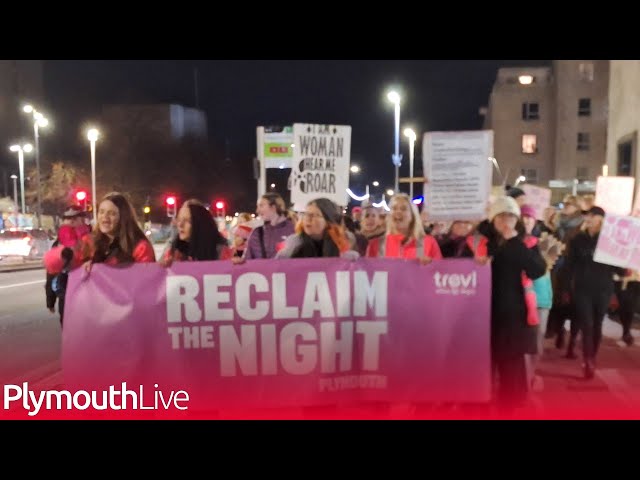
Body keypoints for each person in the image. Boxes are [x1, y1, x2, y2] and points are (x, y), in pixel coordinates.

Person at [470, 196, 546, 412]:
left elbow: (537, 270)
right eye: (502, 215)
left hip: (512, 317)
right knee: (481, 368)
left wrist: (514, 242)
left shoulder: (526, 243)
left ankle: (508, 408)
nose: (506, 220)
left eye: (511, 216)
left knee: (510, 369)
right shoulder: (480, 242)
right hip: (481, 316)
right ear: (493, 219)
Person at [565, 206, 626, 379]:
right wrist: (566, 288)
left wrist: (625, 263)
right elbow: (570, 265)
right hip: (582, 289)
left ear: (601, 219)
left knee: (597, 324)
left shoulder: (609, 240)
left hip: (603, 289)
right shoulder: (578, 239)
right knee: (587, 324)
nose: (589, 218)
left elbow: (618, 269)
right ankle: (587, 360)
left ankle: (592, 356)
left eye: (592, 216)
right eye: (587, 216)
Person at [366, 193, 442, 262]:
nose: (398, 212)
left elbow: (440, 272)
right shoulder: (376, 245)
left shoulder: (428, 243)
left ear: (412, 216)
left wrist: (431, 266)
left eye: (403, 209)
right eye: (394, 208)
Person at [276, 198, 357, 259]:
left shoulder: (341, 247)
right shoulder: (292, 245)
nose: (308, 218)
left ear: (328, 221)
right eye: (306, 214)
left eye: (315, 215)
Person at [160, 199, 232, 265]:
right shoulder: (172, 251)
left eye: (188, 221)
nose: (180, 225)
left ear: (201, 224)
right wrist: (163, 267)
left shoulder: (221, 251)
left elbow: (236, 266)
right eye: (179, 220)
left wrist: (238, 261)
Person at [241, 193, 295, 260]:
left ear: (273, 207)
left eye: (261, 206)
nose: (257, 211)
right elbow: (247, 260)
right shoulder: (256, 233)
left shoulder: (294, 231)